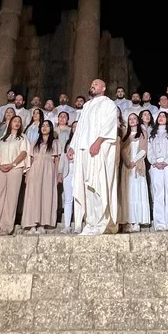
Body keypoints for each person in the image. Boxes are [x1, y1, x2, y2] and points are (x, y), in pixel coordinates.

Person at [70, 78, 118, 236]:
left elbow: (109, 124)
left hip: (97, 149)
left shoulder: (108, 103)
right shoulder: (86, 106)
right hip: (83, 149)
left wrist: (98, 142)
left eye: (96, 84)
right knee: (86, 186)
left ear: (103, 88)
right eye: (91, 84)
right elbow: (80, 128)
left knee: (97, 184)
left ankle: (101, 223)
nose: (92, 85)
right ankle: (90, 223)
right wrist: (72, 146)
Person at [0, 115, 29, 235]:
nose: (17, 123)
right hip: (1, 169)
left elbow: (24, 152)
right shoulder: (2, 139)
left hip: (15, 168)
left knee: (11, 197)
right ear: (10, 123)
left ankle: (7, 226)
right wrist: (0, 165)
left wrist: (13, 164)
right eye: (15, 121)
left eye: (19, 121)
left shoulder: (22, 138)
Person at [22, 120, 60, 234]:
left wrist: (57, 174)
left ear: (51, 128)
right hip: (35, 169)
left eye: (47, 126)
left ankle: (43, 224)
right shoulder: (35, 142)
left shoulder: (55, 142)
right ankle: (32, 224)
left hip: (48, 170)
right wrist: (27, 173)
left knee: (45, 195)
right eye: (43, 126)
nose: (44, 128)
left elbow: (57, 159)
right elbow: (31, 159)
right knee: (34, 195)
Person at [147, 111, 168, 231]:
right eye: (159, 116)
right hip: (156, 165)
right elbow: (149, 150)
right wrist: (154, 161)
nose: (161, 118)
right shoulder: (152, 135)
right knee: (158, 192)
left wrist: (166, 161)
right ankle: (159, 223)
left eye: (163, 116)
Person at [119, 113, 150, 232]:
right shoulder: (125, 136)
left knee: (137, 192)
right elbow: (122, 150)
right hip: (127, 168)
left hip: (137, 166)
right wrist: (128, 162)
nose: (132, 120)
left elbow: (143, 149)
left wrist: (134, 161)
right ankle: (129, 221)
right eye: (130, 119)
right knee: (128, 193)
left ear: (138, 121)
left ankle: (137, 221)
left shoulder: (142, 133)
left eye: (134, 119)